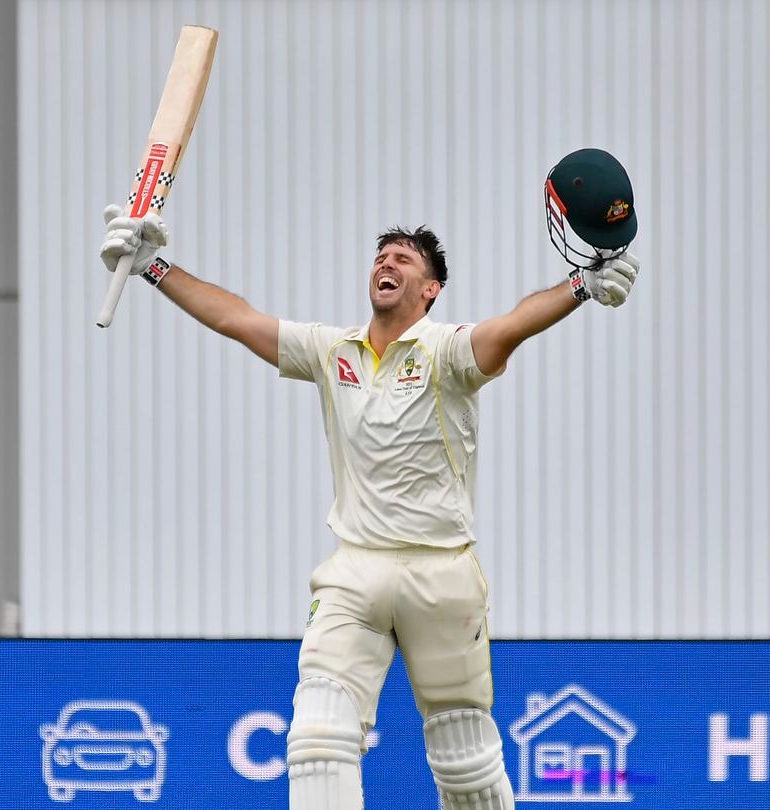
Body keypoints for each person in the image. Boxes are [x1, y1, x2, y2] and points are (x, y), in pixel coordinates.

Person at [99, 149, 640, 810]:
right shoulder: (334, 351)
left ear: (431, 289)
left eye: (404, 259)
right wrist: (153, 266)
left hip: (441, 573)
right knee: (317, 739)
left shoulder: (447, 351)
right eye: (382, 256)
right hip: (354, 569)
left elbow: (511, 327)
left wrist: (579, 289)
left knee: (464, 758)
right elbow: (235, 318)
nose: (387, 264)